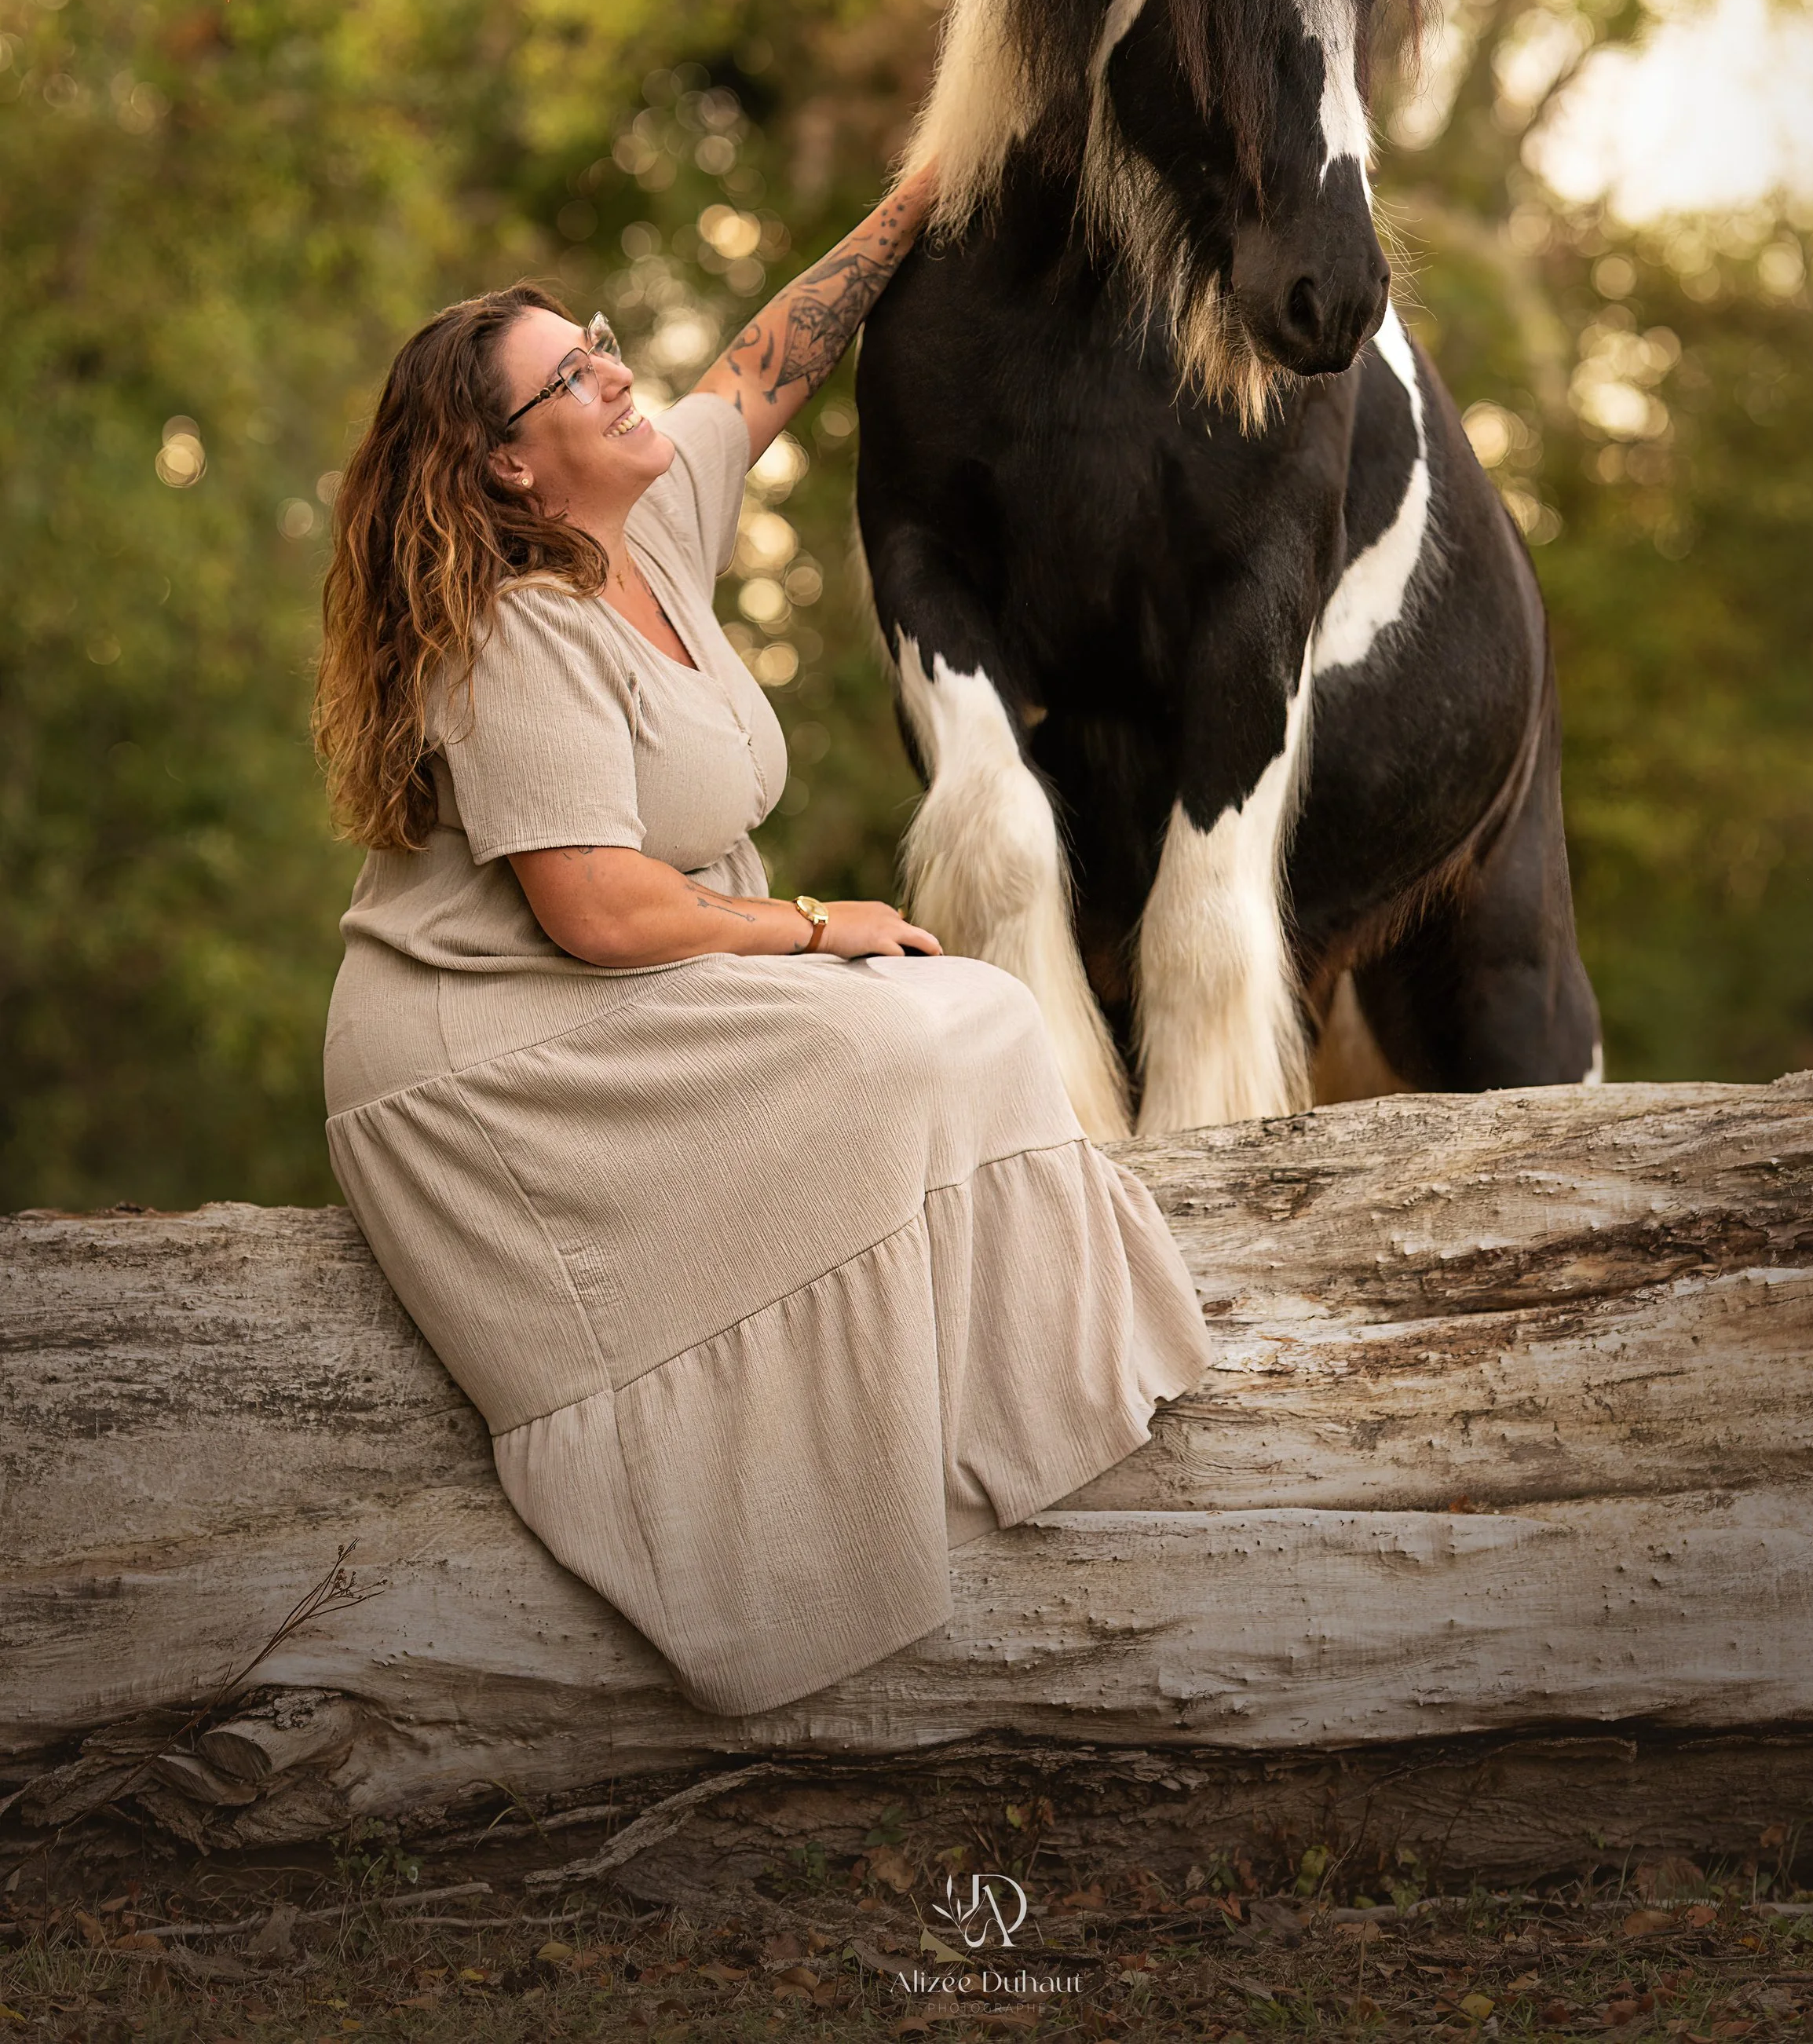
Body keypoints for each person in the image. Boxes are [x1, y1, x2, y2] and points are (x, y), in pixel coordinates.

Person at [313, 167, 1210, 1717]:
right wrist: (815, 926)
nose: (618, 373)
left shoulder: (647, 519)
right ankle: (804, 1543)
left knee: (975, 1023)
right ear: (511, 469)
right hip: (495, 1057)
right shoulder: (515, 634)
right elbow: (593, 910)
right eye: (574, 378)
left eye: (598, 344)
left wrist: (918, 197)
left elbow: (765, 366)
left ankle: (1039, 1422)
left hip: (632, 983)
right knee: (904, 1036)